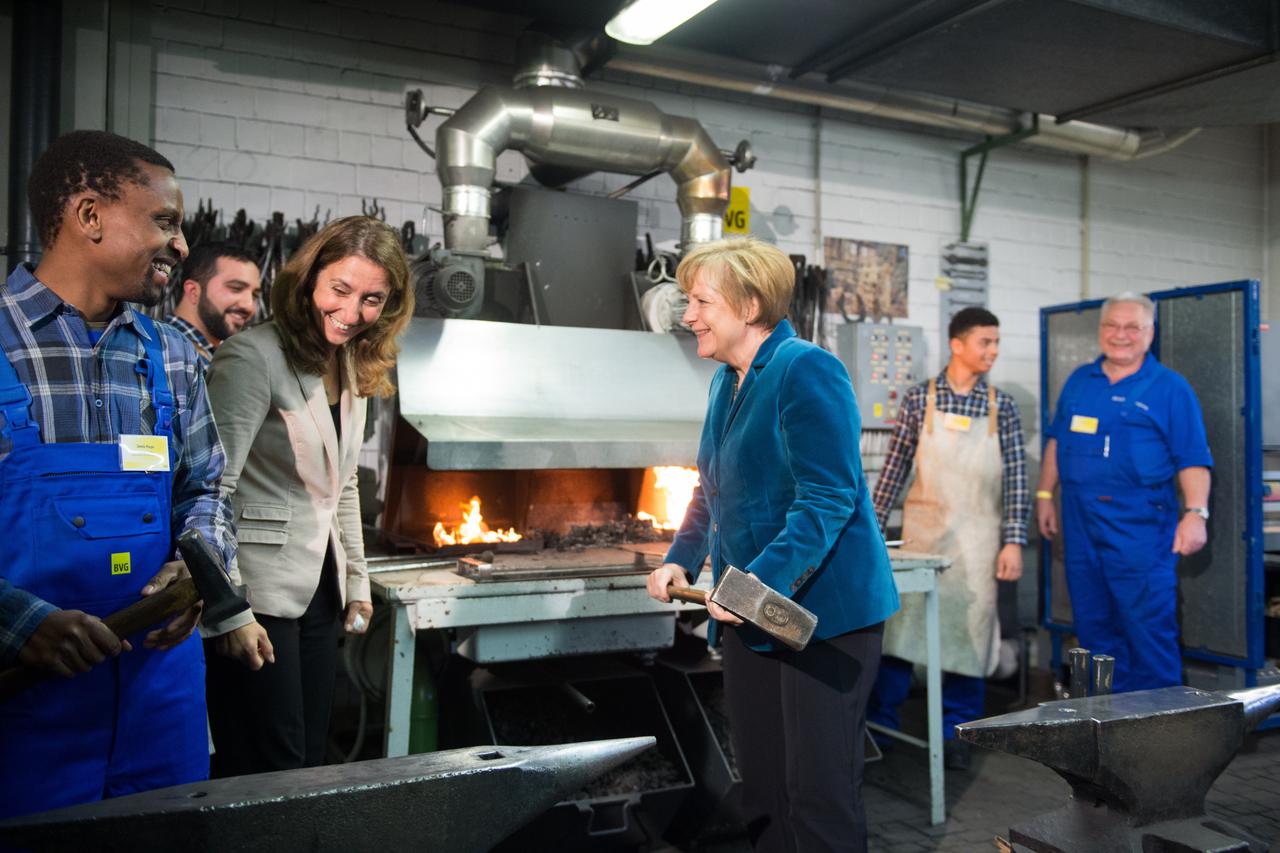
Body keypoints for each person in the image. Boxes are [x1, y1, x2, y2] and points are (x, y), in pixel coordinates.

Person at [0, 130, 268, 819]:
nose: (181, 247)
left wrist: (196, 565)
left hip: (161, 695)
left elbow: (206, 488)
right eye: (166, 222)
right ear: (89, 216)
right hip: (25, 705)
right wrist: (20, 620)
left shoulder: (173, 356)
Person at [646, 236, 899, 852]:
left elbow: (828, 499)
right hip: (750, 615)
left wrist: (752, 583)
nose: (688, 316)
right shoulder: (726, 383)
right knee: (762, 789)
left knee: (818, 795)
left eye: (701, 301)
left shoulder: (805, 369)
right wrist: (681, 555)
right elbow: (712, 488)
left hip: (825, 617)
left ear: (751, 303)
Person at [204, 215, 412, 776]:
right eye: (340, 290)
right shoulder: (252, 356)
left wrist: (357, 582)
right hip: (257, 594)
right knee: (269, 760)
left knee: (309, 758)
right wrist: (227, 610)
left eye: (372, 299)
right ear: (309, 279)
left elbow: (341, 483)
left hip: (320, 589)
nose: (352, 313)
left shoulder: (353, 361)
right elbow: (210, 490)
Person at [866, 307, 1029, 771]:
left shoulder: (1003, 406)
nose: (993, 351)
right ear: (958, 344)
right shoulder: (919, 399)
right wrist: (872, 532)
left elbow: (1017, 479)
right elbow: (894, 470)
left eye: (997, 343)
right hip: (924, 539)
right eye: (985, 342)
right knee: (901, 637)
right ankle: (883, 728)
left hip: (978, 545)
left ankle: (958, 735)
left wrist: (1013, 541)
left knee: (968, 638)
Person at [1036, 292, 1211, 693]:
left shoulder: (1170, 388)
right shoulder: (1081, 381)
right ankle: (1106, 733)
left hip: (1141, 528)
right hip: (1081, 526)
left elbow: (1193, 458)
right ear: (1101, 330)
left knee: (1147, 629)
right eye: (1112, 325)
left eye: (1132, 327)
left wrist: (1195, 513)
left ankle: (1159, 739)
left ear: (1150, 333)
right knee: (1094, 629)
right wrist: (1046, 495)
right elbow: (1055, 443)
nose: (1121, 335)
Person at [166, 242, 262, 368]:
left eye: (254, 295)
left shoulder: (218, 354)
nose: (249, 306)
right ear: (193, 291)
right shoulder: (167, 350)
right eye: (236, 288)